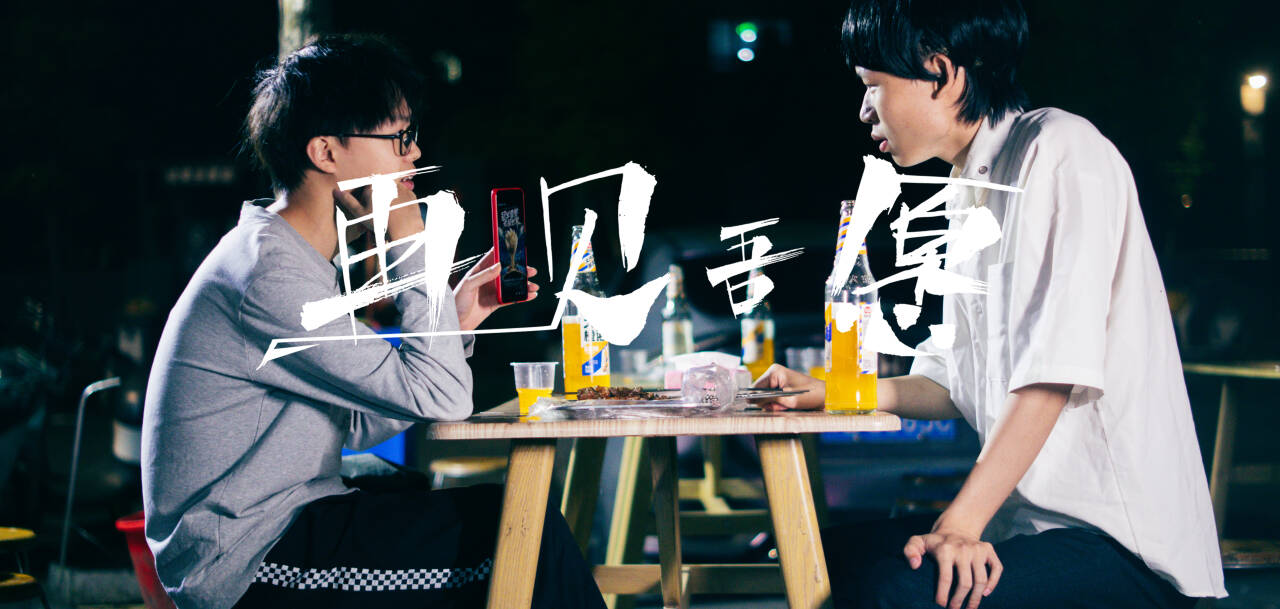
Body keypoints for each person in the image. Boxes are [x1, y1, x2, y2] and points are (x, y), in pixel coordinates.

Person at [753, 1, 1227, 607]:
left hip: (1119, 545)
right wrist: (836, 389)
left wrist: (960, 525)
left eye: (873, 85)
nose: (864, 110)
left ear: (940, 72)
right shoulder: (968, 187)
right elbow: (953, 381)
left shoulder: (1060, 150)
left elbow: (1051, 375)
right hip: (1026, 527)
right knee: (815, 558)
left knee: (889, 592)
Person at [142, 34, 604, 609]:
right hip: (245, 559)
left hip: (291, 519)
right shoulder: (269, 275)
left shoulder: (292, 259)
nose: (415, 154)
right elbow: (444, 400)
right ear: (326, 152)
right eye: (398, 137)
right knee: (522, 536)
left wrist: (457, 321)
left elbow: (353, 421)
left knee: (513, 524)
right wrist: (410, 238)